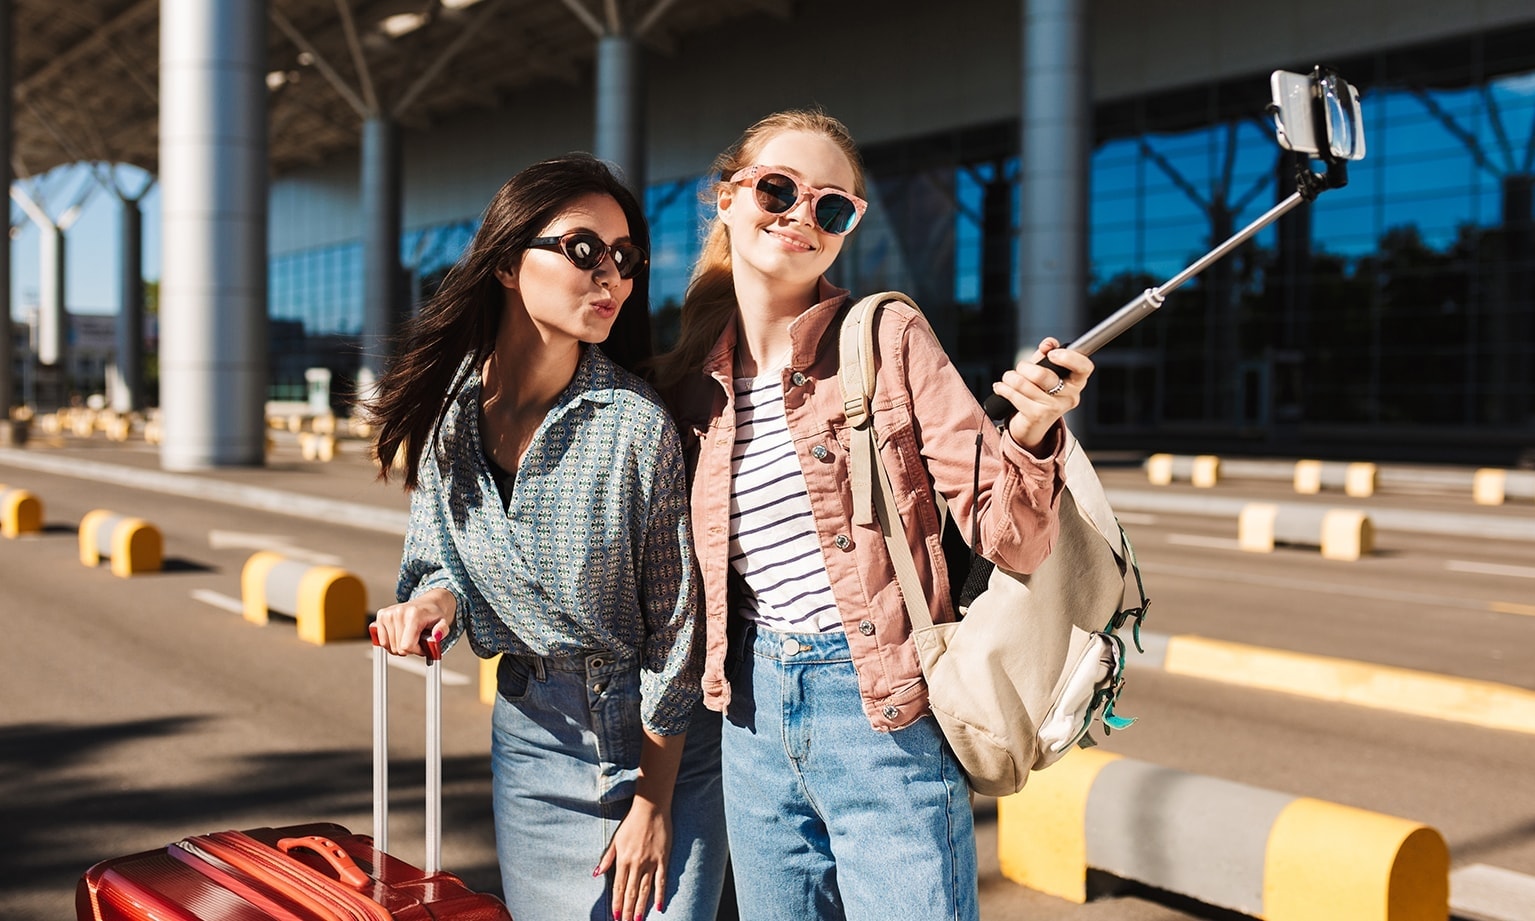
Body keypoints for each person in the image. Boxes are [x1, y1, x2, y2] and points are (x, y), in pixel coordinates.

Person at [649, 110, 1094, 919]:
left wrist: (1031, 431)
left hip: (884, 715)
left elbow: (1011, 537)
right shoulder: (688, 382)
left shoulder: (886, 333)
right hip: (749, 715)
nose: (801, 216)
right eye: (778, 190)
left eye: (831, 207)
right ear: (727, 197)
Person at [366, 154, 727, 921]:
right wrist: (432, 603)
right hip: (533, 745)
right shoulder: (451, 417)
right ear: (505, 262)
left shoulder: (634, 424)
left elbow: (677, 630)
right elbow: (439, 562)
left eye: (625, 257)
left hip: (658, 751)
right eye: (584, 249)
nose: (611, 275)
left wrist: (652, 802)